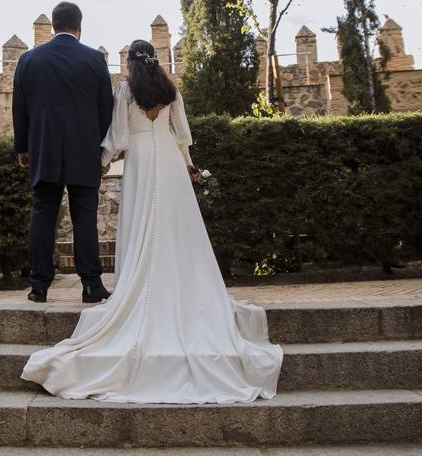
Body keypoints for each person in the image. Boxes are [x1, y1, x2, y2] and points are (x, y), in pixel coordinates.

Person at [21, 39, 283, 404]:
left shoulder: (126, 90)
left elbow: (117, 136)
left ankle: (139, 283)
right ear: (157, 61)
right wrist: (189, 166)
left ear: (129, 63)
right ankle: (179, 282)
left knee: (144, 221)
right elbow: (183, 135)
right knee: (178, 228)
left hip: (141, 163)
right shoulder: (170, 89)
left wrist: (103, 160)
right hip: (171, 168)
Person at [12, 1, 114, 304]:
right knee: (85, 215)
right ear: (79, 28)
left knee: (43, 214)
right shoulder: (95, 60)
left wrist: (23, 148)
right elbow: (105, 110)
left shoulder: (28, 59)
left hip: (44, 149)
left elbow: (20, 108)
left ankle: (39, 286)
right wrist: (101, 150)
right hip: (84, 150)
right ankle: (91, 285)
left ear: (54, 26)